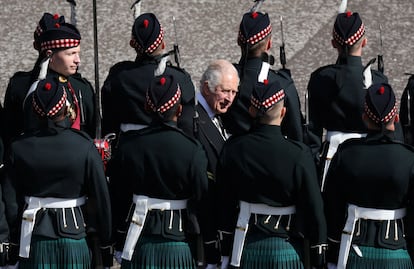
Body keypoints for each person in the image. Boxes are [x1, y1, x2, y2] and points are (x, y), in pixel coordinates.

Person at [2, 76, 112, 268]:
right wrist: (105, 244)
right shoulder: (83, 145)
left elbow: (11, 202)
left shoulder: (19, 147)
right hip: (75, 234)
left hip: (33, 234)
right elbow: (100, 198)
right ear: (65, 108)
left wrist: (12, 240)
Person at [216, 79, 327, 269]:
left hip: (245, 245)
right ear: (283, 113)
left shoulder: (233, 148)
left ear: (251, 111)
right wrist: (318, 255)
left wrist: (224, 248)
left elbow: (223, 204)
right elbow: (314, 208)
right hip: (288, 247)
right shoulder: (299, 154)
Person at [108, 75, 208, 268]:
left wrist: (118, 238)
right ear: (179, 109)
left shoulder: (129, 145)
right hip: (179, 239)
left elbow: (118, 197)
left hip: (139, 236)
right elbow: (203, 200)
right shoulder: (192, 149)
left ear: (146, 108)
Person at [323, 83, 414, 269]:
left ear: (364, 118)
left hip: (353, 248)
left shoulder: (346, 153)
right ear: (396, 118)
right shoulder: (409, 159)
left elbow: (331, 206)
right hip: (397, 251)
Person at [306, 9, 388, 189]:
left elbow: (313, 131)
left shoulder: (320, 78)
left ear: (334, 43)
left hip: (331, 156)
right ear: (364, 42)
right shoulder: (378, 81)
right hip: (368, 155)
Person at [3, 13, 97, 145]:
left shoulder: (82, 88)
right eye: (71, 54)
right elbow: (9, 131)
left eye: (78, 53)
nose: (78, 60)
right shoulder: (20, 86)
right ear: (49, 54)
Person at [101, 12, 196, 141]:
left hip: (128, 147)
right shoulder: (180, 78)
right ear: (163, 44)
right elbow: (188, 126)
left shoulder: (118, 75)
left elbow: (109, 124)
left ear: (132, 44)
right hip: (169, 146)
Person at [221, 10, 304, 142]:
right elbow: (296, 134)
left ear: (238, 41)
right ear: (269, 44)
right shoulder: (281, 83)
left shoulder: (224, 77)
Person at [193, 59, 239, 268]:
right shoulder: (193, 120)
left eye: (234, 92)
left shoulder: (218, 115)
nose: (230, 99)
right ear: (206, 88)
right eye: (225, 91)